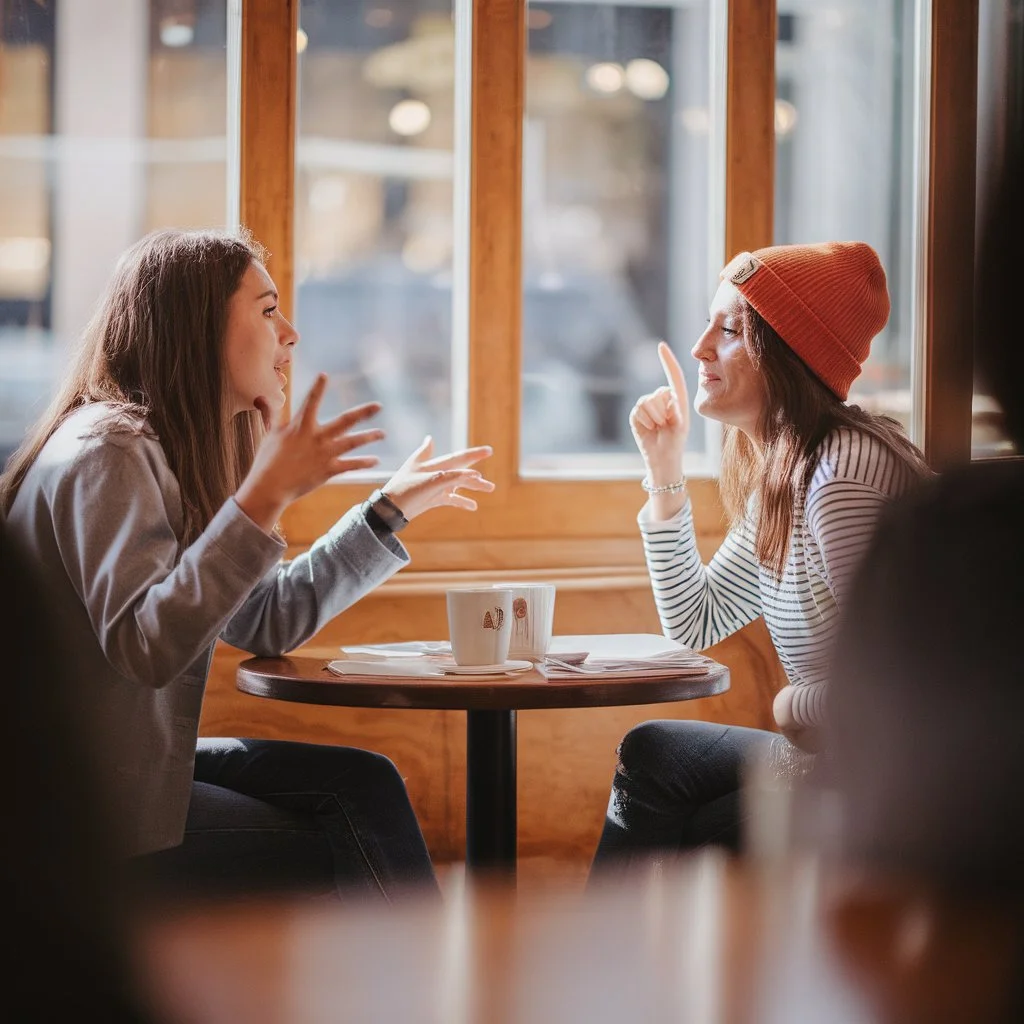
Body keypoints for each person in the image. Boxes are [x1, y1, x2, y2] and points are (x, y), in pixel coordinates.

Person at [1, 227, 495, 904]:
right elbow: (147, 647)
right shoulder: (109, 450)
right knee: (344, 833)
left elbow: (265, 618)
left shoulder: (160, 448)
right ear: (196, 327)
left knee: (363, 783)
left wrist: (383, 514)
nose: (289, 333)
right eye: (267, 310)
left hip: (114, 774)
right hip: (72, 811)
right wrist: (264, 495)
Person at [591, 241, 930, 868]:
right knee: (653, 753)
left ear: (788, 353)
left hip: (895, 777)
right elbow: (696, 621)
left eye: (730, 330)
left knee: (700, 832)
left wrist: (788, 704)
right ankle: (622, 953)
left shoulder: (841, 476)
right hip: (830, 756)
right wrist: (663, 471)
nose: (699, 348)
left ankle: (626, 956)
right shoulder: (791, 469)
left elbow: (903, 685)